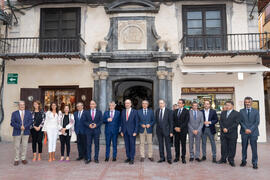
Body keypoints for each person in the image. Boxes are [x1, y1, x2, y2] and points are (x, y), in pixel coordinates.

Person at [218, 101, 240, 167]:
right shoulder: (223, 112)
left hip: (232, 134)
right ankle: (223, 159)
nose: (227, 106)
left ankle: (231, 160)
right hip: (223, 133)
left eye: (228, 105)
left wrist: (228, 129)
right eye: (226, 105)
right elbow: (220, 121)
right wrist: (223, 128)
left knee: (232, 147)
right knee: (223, 147)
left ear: (232, 106)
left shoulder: (237, 113)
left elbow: (236, 123)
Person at [10, 101, 33, 166]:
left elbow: (31, 121)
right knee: (16, 146)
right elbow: (12, 123)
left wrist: (24, 126)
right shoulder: (14, 113)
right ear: (18, 106)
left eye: (23, 105)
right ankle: (16, 159)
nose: (22, 106)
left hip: (26, 131)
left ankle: (23, 158)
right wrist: (20, 127)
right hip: (17, 131)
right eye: (21, 105)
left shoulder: (28, 113)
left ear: (25, 105)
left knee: (24, 146)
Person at [239, 97, 260, 169]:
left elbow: (257, 122)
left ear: (251, 102)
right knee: (244, 148)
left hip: (253, 132)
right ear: (244, 103)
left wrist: (250, 129)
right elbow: (240, 121)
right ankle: (243, 161)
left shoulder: (256, 111)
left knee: (254, 148)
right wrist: (245, 129)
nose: (247, 103)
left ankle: (255, 163)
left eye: (248, 102)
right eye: (246, 102)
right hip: (244, 132)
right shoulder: (241, 111)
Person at [120, 99, 139, 165]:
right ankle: (128, 157)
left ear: (131, 104)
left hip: (132, 132)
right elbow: (122, 122)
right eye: (126, 103)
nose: (127, 104)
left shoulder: (135, 112)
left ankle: (132, 158)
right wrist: (121, 131)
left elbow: (136, 123)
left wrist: (135, 131)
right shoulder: (123, 111)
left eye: (128, 103)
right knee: (127, 145)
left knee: (132, 145)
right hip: (125, 131)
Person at [155, 99, 173, 164]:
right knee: (160, 145)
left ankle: (169, 158)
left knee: (168, 145)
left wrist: (171, 132)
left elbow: (171, 122)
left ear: (164, 104)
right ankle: (162, 158)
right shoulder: (157, 111)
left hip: (167, 131)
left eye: (162, 103)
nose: (161, 104)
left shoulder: (169, 111)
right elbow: (157, 121)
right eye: (160, 103)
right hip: (159, 131)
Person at [173, 99, 189, 164]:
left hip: (183, 131)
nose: (178, 104)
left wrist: (180, 128)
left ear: (183, 104)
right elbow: (172, 120)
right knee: (176, 145)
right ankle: (177, 157)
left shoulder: (186, 111)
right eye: (178, 103)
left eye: (180, 103)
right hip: (176, 131)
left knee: (183, 145)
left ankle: (183, 158)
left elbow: (186, 121)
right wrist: (175, 127)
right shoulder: (175, 111)